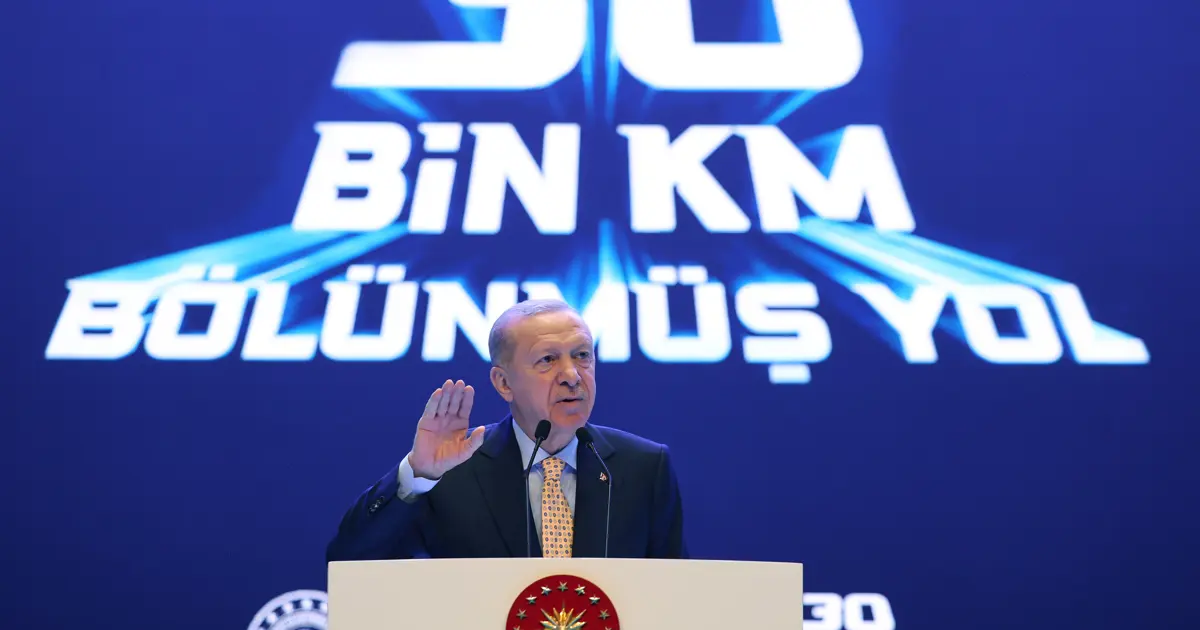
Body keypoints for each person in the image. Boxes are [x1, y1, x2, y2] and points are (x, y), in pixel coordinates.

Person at [325, 299, 688, 561]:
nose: (572, 376)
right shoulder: (452, 468)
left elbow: (674, 591)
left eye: (582, 355)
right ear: (503, 383)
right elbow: (349, 561)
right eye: (548, 359)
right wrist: (418, 475)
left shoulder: (643, 466)